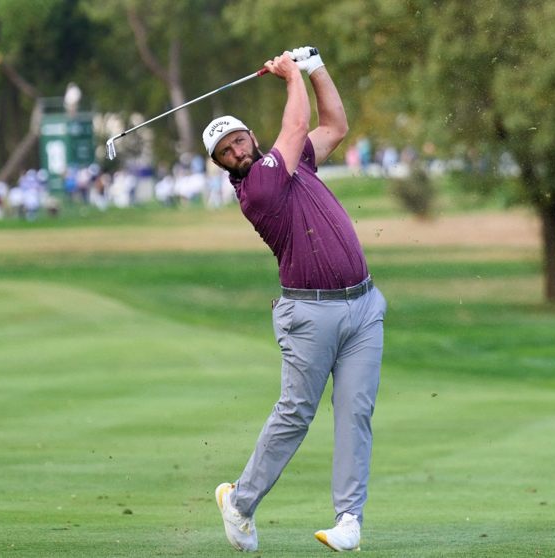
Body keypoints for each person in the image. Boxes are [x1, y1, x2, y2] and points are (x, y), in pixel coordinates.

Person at [205, 47, 386, 553]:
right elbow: (298, 119)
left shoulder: (291, 163)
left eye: (238, 140)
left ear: (249, 136)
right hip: (309, 313)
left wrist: (316, 65)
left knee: (355, 412)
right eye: (226, 152)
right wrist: (290, 77)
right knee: (296, 413)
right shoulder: (257, 186)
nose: (236, 151)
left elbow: (335, 125)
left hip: (364, 307)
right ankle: (239, 502)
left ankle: (349, 518)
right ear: (223, 166)